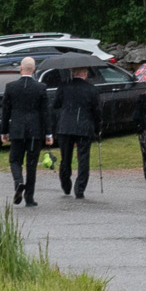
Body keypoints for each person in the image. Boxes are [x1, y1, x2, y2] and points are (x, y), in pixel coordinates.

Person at [0, 58, 49, 207]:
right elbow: (45, 112)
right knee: (31, 164)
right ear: (33, 70)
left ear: (21, 69)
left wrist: (4, 131)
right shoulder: (41, 88)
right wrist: (48, 134)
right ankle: (29, 197)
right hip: (34, 130)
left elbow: (5, 112)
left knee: (15, 160)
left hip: (17, 129)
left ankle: (18, 182)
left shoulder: (11, 87)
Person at [51, 64, 101, 200]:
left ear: (73, 73)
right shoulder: (91, 89)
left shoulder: (63, 86)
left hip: (66, 126)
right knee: (83, 158)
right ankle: (80, 188)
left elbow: (56, 105)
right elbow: (97, 111)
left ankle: (66, 184)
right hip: (84, 127)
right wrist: (98, 128)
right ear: (85, 74)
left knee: (65, 157)